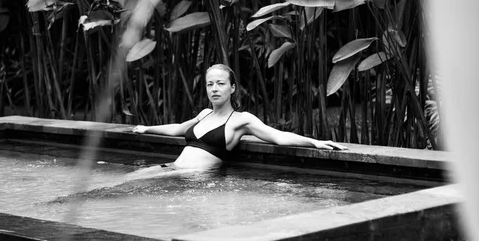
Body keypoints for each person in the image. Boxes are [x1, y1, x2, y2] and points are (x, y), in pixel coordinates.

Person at [132, 64, 347, 169]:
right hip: (171, 169)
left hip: (194, 181)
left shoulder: (241, 120)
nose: (214, 89)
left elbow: (278, 137)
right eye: (210, 84)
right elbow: (178, 128)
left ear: (232, 88)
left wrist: (315, 142)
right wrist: (146, 129)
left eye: (220, 83)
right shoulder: (204, 114)